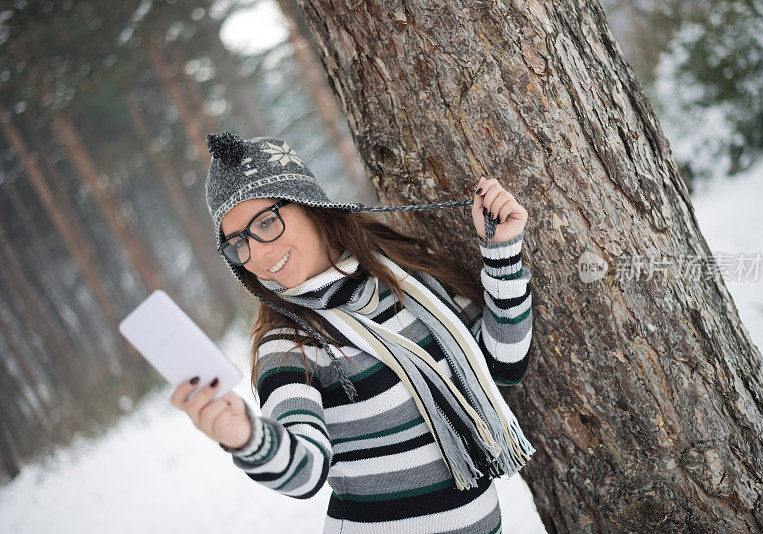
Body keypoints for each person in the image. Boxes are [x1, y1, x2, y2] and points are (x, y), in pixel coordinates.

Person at [170, 131, 536, 533]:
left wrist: (503, 252)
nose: (255, 254)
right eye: (236, 243)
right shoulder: (289, 342)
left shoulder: (405, 274)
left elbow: (504, 365)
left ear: (308, 205)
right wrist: (247, 438)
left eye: (267, 223)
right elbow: (305, 470)